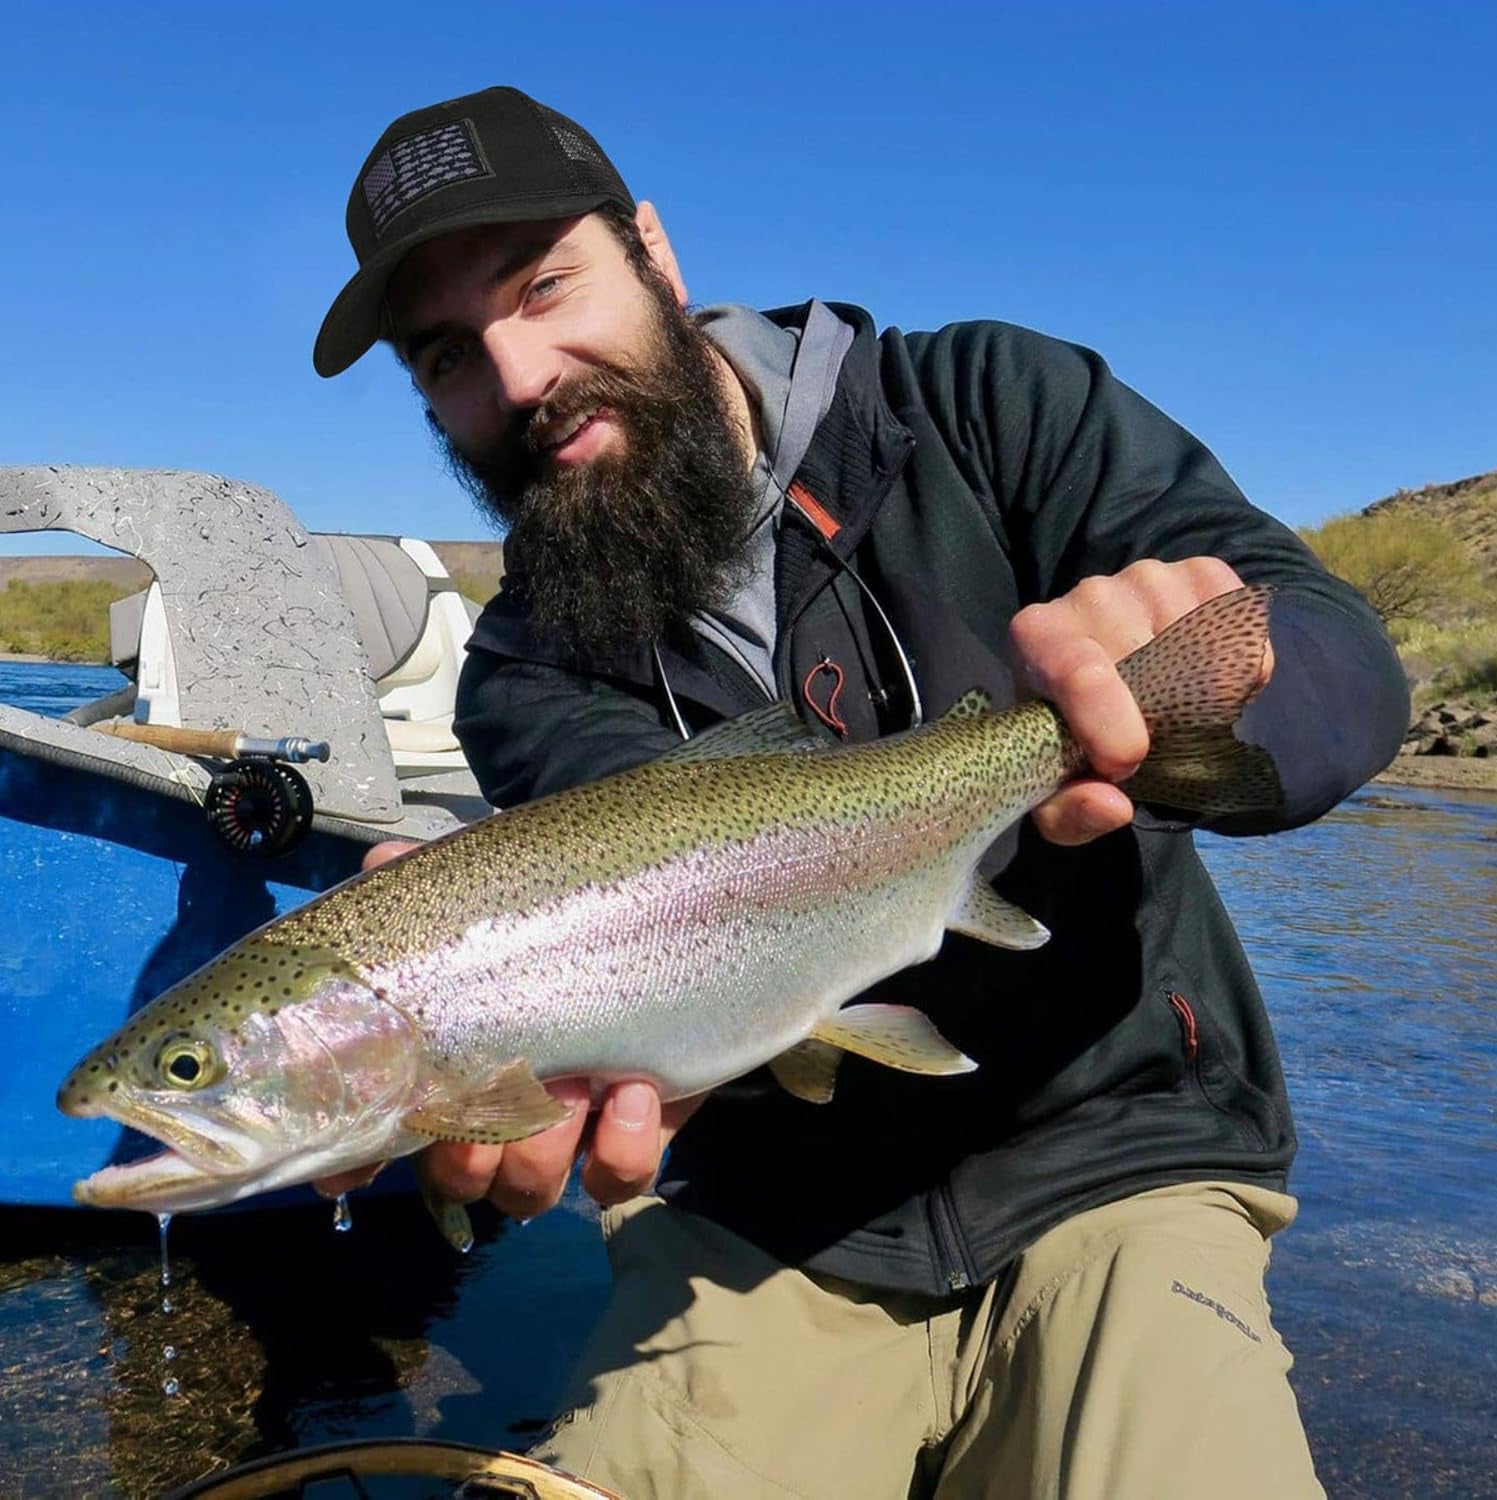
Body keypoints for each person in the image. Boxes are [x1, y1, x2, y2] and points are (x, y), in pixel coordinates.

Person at [312, 85, 1408, 1499]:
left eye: (545, 286)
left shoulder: (990, 407)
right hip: (771, 1218)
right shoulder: (521, 669)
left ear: (655, 253)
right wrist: (462, 961)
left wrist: (1229, 677)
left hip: (1119, 1155)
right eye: (449, 355)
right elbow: (680, 885)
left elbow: (1338, 650)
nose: (520, 378)